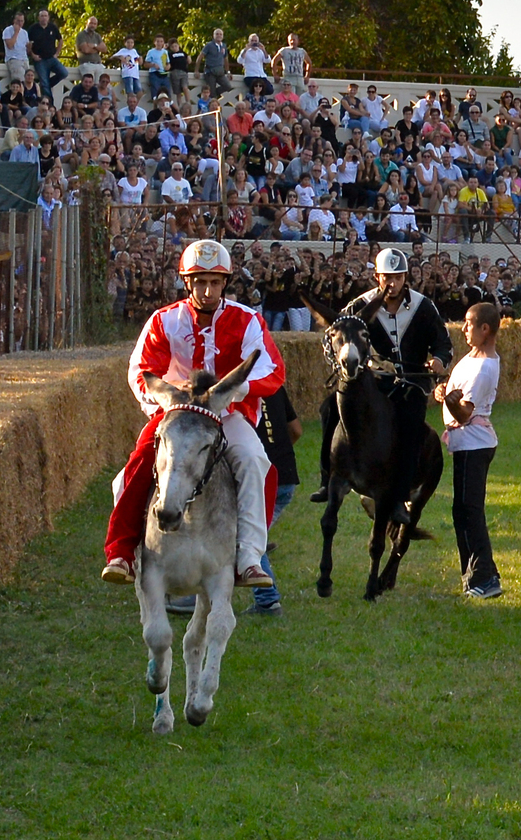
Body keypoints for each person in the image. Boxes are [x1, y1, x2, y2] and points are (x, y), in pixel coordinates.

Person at [100, 239, 283, 588]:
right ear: (187, 282)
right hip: (177, 414)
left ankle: (248, 558)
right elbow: (140, 370)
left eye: (215, 282)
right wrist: (167, 403)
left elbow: (270, 370)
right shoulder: (163, 321)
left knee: (253, 459)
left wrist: (231, 392)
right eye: (200, 281)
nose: (207, 290)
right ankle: (122, 552)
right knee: (139, 460)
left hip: (226, 414)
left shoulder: (248, 320)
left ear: (225, 282)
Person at [316, 247, 452, 524]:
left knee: (412, 422)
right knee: (329, 408)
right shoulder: (358, 307)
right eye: (386, 277)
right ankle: (327, 478)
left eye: (398, 277)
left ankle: (400, 497)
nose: (392, 284)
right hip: (373, 382)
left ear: (406, 277)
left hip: (411, 384)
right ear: (376, 277)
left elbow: (443, 342)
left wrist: (438, 360)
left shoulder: (423, 306)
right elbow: (332, 335)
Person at [440, 301, 504, 597]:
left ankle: (484, 577)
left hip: (474, 444)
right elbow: (454, 390)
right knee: (461, 510)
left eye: (469, 323)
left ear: (485, 329)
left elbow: (464, 412)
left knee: (470, 511)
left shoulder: (486, 368)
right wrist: (442, 388)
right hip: (465, 443)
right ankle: (473, 573)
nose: (463, 328)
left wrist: (449, 400)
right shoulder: (471, 358)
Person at [245, 385, 303, 616]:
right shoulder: (273, 384)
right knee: (252, 533)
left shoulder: (232, 390)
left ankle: (268, 601)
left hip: (260, 479)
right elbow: (296, 430)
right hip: (285, 477)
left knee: (248, 536)